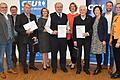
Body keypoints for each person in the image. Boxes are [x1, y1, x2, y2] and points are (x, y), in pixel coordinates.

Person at [45, 2, 68, 74]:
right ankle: (54, 67)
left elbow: (67, 26)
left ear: (62, 7)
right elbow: (46, 26)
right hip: (54, 38)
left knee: (63, 53)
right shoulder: (51, 16)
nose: (59, 8)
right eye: (58, 7)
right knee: (54, 53)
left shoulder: (65, 15)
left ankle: (63, 66)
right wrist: (52, 32)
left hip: (63, 38)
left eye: (61, 7)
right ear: (55, 8)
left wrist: (68, 30)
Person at [15, 3, 38, 74]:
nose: (28, 9)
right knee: (23, 53)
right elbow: (17, 28)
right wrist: (25, 31)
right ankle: (25, 67)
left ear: (30, 8)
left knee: (32, 52)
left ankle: (31, 65)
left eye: (29, 8)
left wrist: (36, 36)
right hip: (22, 37)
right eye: (26, 8)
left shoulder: (33, 16)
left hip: (32, 37)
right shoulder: (19, 16)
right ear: (24, 8)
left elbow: (36, 27)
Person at [73, 5, 93, 74]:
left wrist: (88, 33)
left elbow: (92, 29)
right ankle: (78, 68)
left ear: (86, 11)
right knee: (78, 54)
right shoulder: (76, 18)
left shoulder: (90, 18)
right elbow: (74, 30)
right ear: (79, 10)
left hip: (87, 39)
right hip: (78, 39)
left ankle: (86, 68)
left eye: (84, 10)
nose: (82, 11)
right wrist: (74, 40)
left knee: (87, 54)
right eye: (81, 10)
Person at [0, 2, 17, 79]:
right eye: (2, 7)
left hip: (10, 40)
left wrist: (13, 37)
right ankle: (1, 71)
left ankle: (9, 68)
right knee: (0, 58)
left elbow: (11, 28)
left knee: (9, 55)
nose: (4, 9)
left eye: (5, 7)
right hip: (1, 41)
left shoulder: (9, 16)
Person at [91, 6, 108, 75]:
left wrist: (104, 40)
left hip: (100, 39)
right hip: (94, 38)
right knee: (96, 53)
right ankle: (99, 66)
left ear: (100, 11)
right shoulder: (93, 19)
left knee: (99, 53)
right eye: (95, 10)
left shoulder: (103, 19)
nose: (96, 11)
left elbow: (105, 30)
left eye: (98, 10)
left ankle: (98, 67)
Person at [102, 1, 116, 73]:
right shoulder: (103, 15)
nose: (109, 7)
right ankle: (104, 64)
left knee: (112, 52)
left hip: (112, 36)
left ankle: (111, 66)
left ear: (112, 7)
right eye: (107, 6)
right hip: (105, 36)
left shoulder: (115, 15)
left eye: (110, 6)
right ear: (106, 6)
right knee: (105, 51)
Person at [67, 2, 79, 69]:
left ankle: (74, 62)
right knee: (71, 49)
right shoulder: (67, 15)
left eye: (74, 6)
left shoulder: (78, 15)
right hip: (69, 35)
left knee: (75, 50)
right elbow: (66, 25)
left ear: (75, 7)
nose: (72, 7)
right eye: (71, 6)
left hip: (76, 36)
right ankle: (72, 61)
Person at [110, 3, 120, 79]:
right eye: (116, 7)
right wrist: (111, 39)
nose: (118, 8)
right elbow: (112, 29)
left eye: (119, 7)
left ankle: (118, 73)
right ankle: (117, 71)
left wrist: (119, 41)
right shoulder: (115, 17)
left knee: (118, 57)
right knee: (116, 57)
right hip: (114, 38)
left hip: (118, 40)